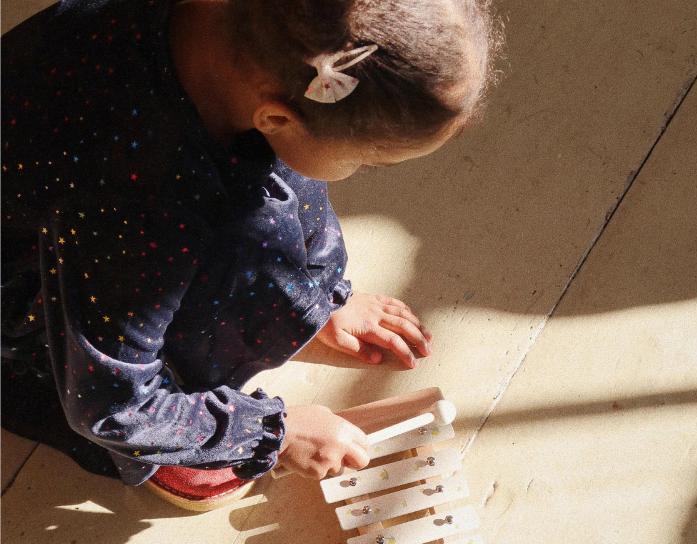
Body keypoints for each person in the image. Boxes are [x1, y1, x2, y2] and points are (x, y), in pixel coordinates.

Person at [1, 0, 500, 510]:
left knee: (268, 180)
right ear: (276, 115)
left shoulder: (247, 40)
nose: (360, 169)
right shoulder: (141, 205)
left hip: (95, 205)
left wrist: (318, 297)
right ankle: (178, 430)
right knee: (229, 224)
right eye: (365, 160)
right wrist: (269, 432)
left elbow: (287, 174)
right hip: (28, 279)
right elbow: (108, 403)